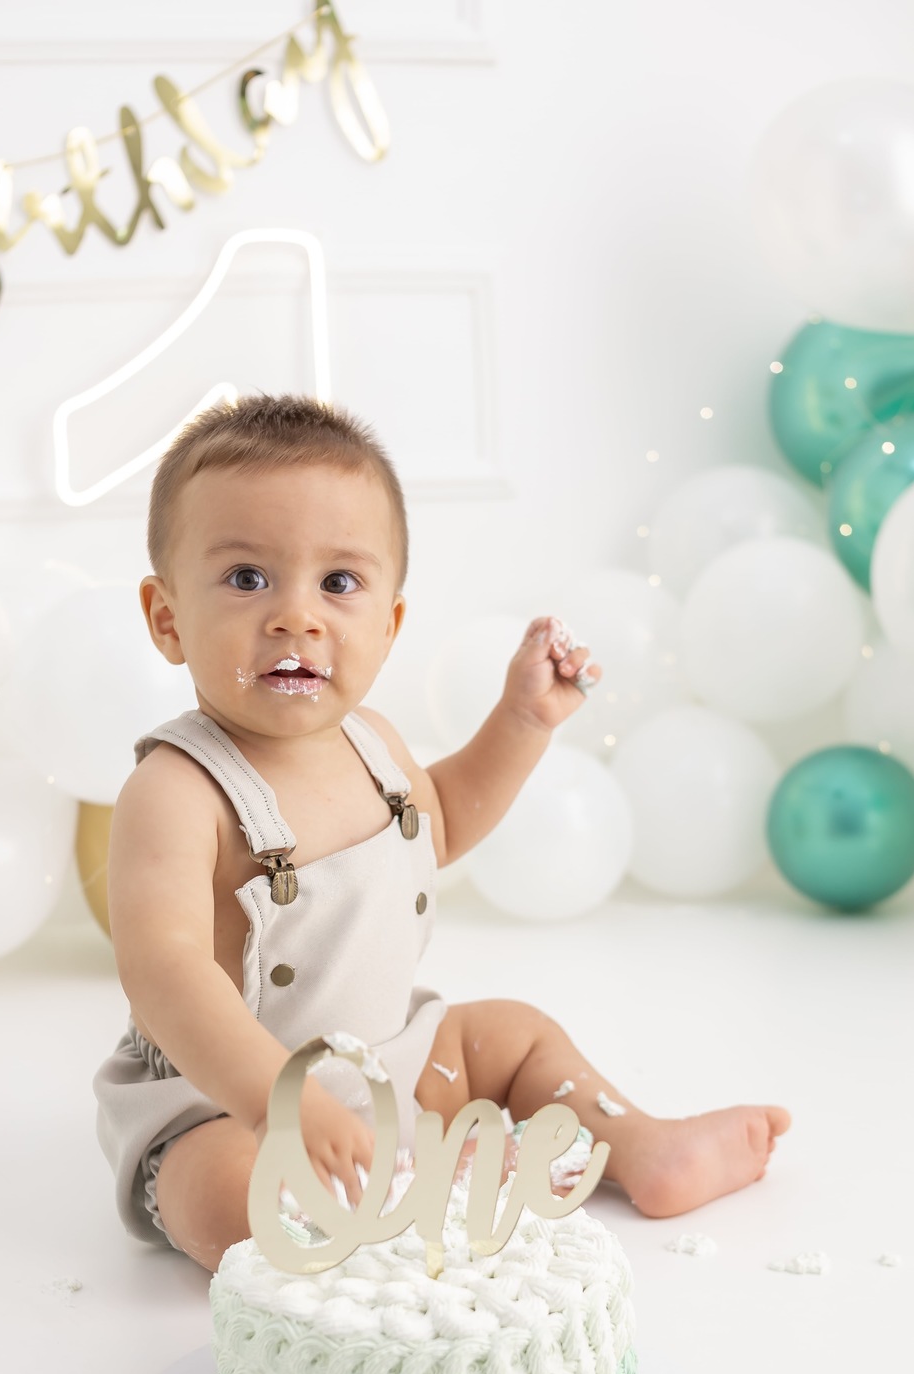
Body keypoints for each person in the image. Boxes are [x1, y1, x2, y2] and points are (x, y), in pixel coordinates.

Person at [93, 394, 790, 1270]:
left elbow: (445, 822)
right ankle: (390, 1208)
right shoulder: (175, 789)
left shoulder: (374, 744)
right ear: (166, 619)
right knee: (228, 1194)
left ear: (388, 624)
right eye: (246, 579)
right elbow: (165, 971)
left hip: (391, 1060)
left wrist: (521, 722)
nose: (296, 617)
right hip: (225, 1099)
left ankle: (643, 1147)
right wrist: (284, 1101)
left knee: (514, 1034)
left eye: (338, 583)